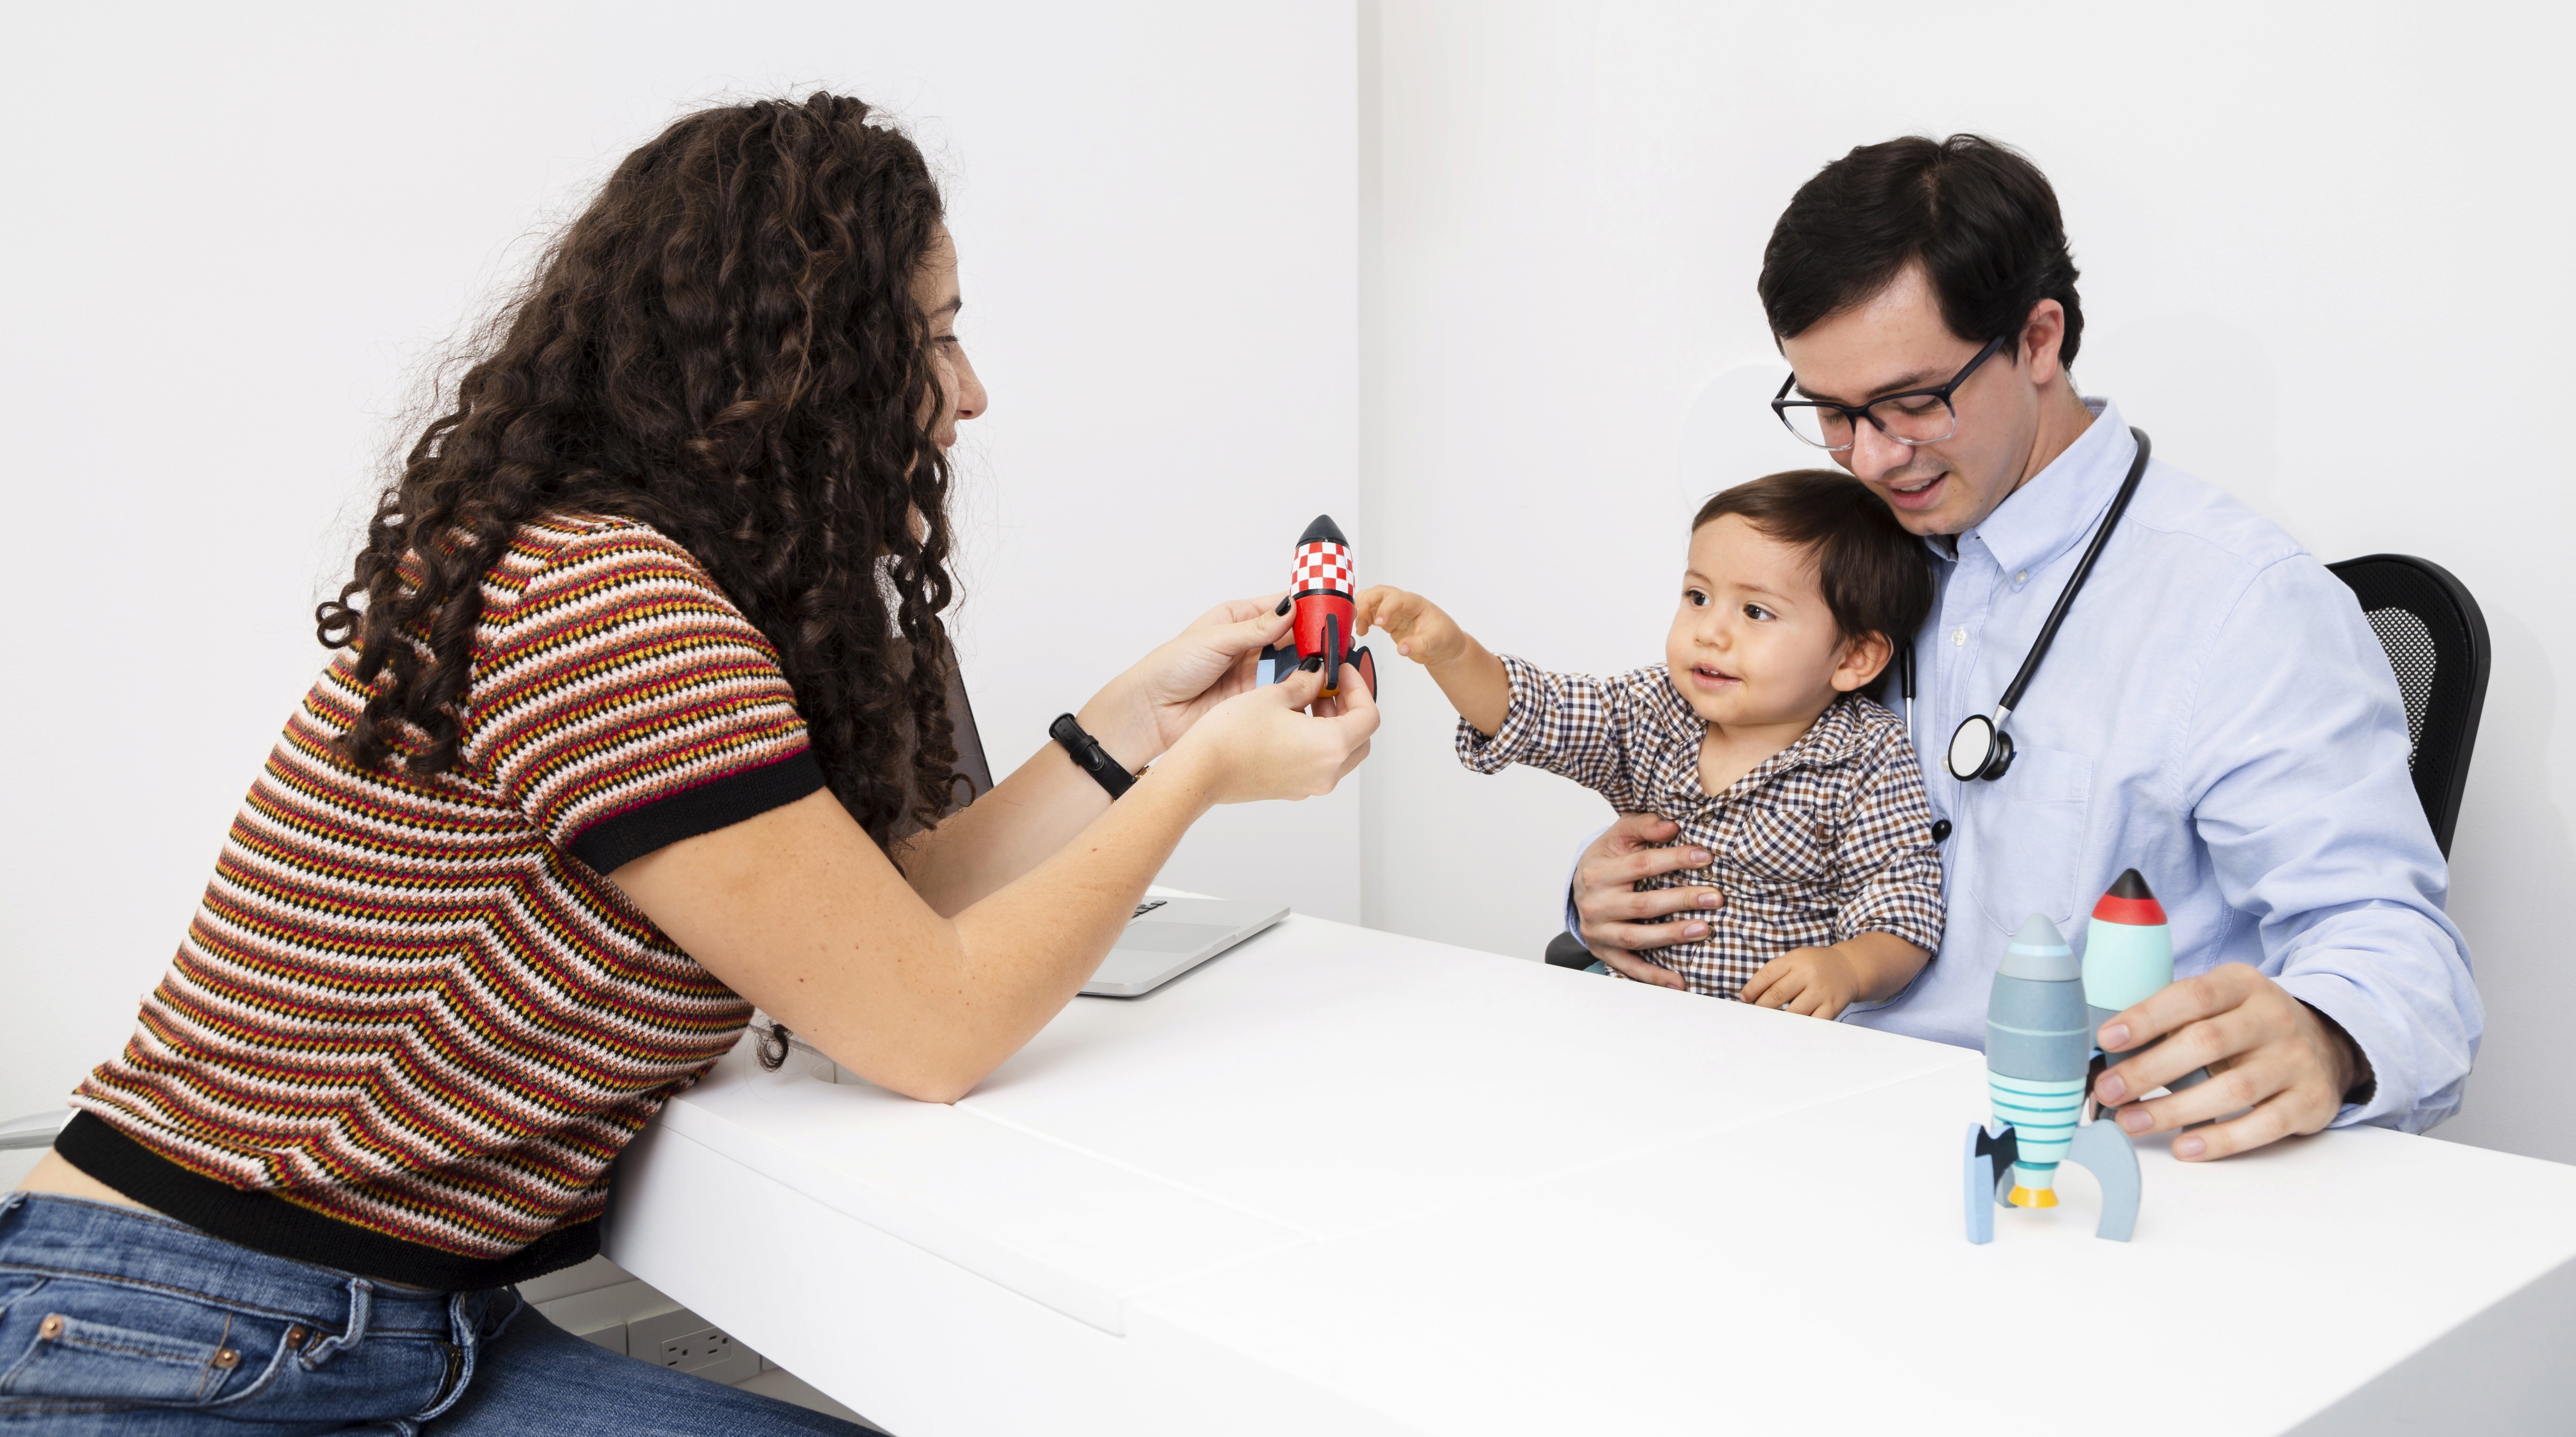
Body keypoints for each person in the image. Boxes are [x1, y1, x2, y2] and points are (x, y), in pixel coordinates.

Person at [3, 95, 1377, 1433]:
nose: (969, 394)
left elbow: (892, 925)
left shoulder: (596, 568)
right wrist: (1204, 785)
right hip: (200, 1326)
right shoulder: (611, 606)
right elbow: (932, 1030)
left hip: (366, 1322)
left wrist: (1138, 729)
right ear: (803, 361)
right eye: (937, 339)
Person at [1569, 134, 2478, 1160]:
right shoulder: (1821, 562)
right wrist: (1619, 897)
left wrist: (2326, 1037)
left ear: (2037, 339)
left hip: (2073, 1163)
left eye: (1915, 402)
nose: (1871, 456)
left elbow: (2403, 962)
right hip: (1777, 1115)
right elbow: (1715, 791)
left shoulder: (2240, 605)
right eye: (1831, 411)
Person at [1359, 471, 1943, 1019]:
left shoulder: (1866, 752)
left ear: (1853, 658)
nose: (1710, 631)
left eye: (1756, 611)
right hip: (1639, 1019)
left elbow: (1902, 912)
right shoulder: (1655, 709)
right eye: (1697, 597)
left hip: (1774, 1043)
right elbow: (1537, 712)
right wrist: (1455, 655)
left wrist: (1847, 967)